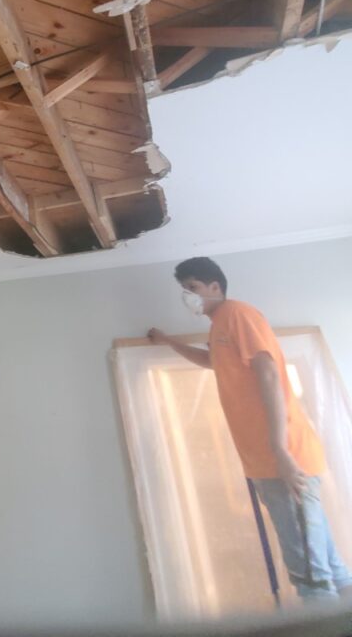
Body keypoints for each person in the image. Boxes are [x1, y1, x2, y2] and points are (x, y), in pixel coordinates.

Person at [148, 256, 352, 602]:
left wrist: (280, 450)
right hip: (266, 458)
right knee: (326, 563)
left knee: (309, 571)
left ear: (216, 287)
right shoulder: (220, 325)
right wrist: (170, 342)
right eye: (184, 290)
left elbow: (269, 372)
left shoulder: (238, 314)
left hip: (284, 456)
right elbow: (212, 361)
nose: (188, 296)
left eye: (193, 288)